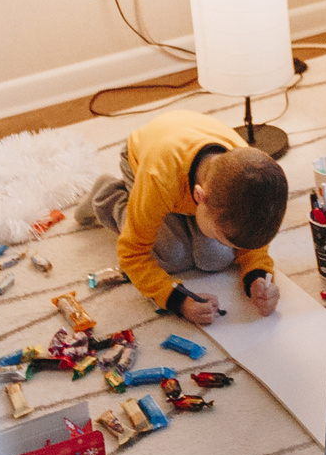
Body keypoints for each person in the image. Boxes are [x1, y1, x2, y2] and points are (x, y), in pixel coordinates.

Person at [77, 109, 289, 325]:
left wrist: (257, 275)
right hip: (143, 160)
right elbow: (133, 253)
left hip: (186, 168)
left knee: (215, 258)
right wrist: (179, 301)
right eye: (221, 237)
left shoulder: (252, 175)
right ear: (200, 197)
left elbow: (252, 234)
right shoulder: (158, 179)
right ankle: (109, 195)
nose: (232, 248)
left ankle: (192, 223)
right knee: (170, 255)